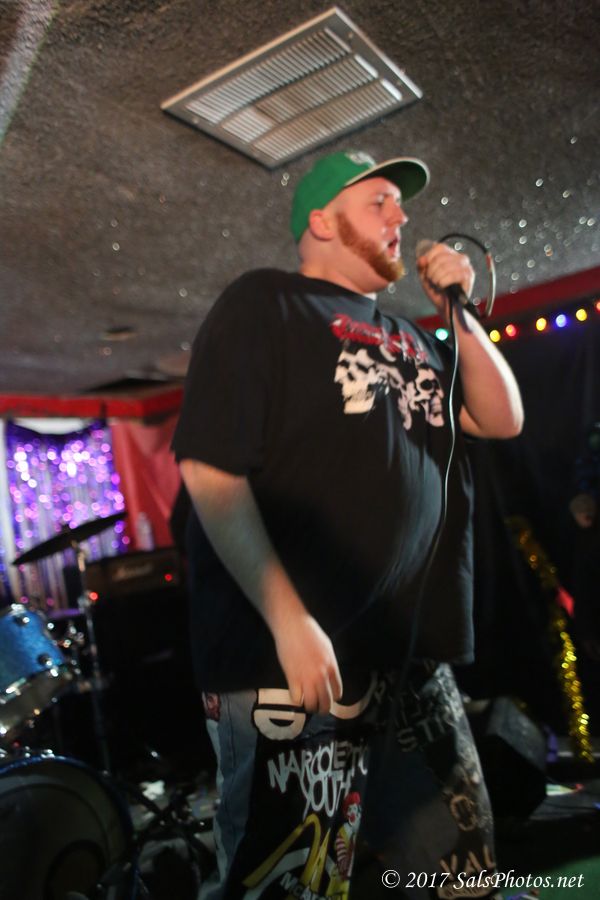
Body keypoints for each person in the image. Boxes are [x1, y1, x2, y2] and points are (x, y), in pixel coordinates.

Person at [172, 149, 524, 899]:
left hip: (409, 658)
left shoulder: (414, 337)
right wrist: (287, 618)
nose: (402, 217)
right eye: (380, 202)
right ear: (323, 222)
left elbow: (501, 418)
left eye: (401, 204)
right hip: (294, 661)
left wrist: (457, 311)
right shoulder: (264, 303)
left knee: (457, 870)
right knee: (294, 878)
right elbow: (210, 469)